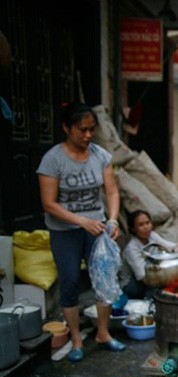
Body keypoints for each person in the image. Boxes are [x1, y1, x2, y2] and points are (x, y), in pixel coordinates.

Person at [37, 102, 126, 362]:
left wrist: (112, 219)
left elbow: (111, 191)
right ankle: (76, 339)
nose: (88, 136)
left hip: (97, 229)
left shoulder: (100, 155)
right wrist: (81, 221)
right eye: (81, 130)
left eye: (91, 130)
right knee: (70, 282)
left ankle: (102, 333)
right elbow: (49, 204)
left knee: (105, 279)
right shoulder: (52, 160)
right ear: (66, 128)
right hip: (65, 232)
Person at [120, 209, 178, 299]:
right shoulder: (132, 248)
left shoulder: (152, 236)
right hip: (133, 284)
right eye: (141, 225)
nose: (146, 227)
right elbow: (142, 275)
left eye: (147, 223)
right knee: (156, 288)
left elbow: (170, 246)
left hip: (152, 275)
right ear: (133, 229)